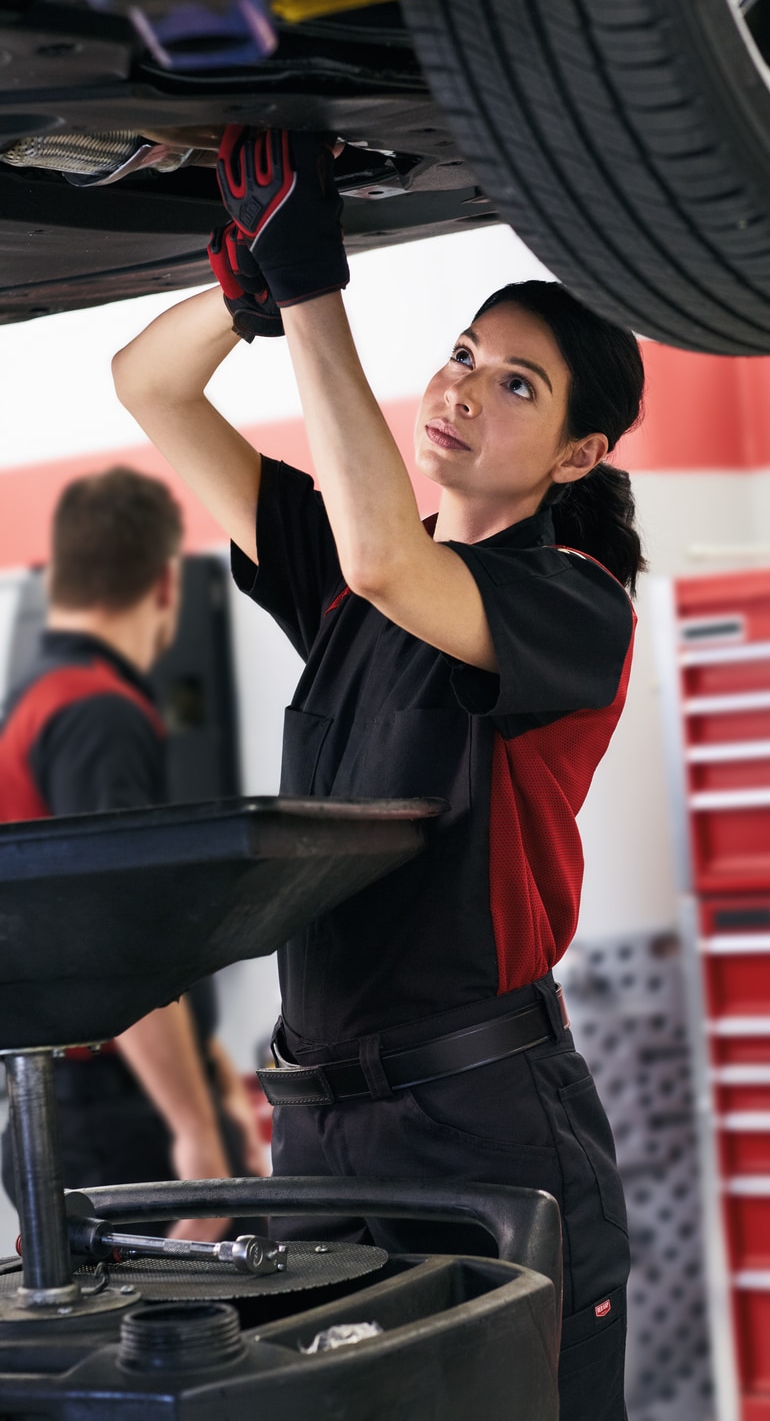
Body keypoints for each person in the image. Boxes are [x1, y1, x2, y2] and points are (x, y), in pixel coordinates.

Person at [112, 127, 644, 1420]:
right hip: (321, 1126)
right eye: (464, 355)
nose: (462, 389)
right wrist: (244, 292)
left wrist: (313, 289)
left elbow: (394, 569)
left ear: (580, 456)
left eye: (519, 386)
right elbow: (149, 387)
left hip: (481, 1120)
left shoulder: (572, 602)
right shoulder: (351, 582)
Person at [0, 467, 266, 1240]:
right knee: (176, 1344)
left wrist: (210, 1073)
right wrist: (195, 1133)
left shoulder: (37, 701)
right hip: (107, 1112)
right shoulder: (97, 714)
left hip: (70, 1101)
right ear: (164, 588)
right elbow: (116, 936)